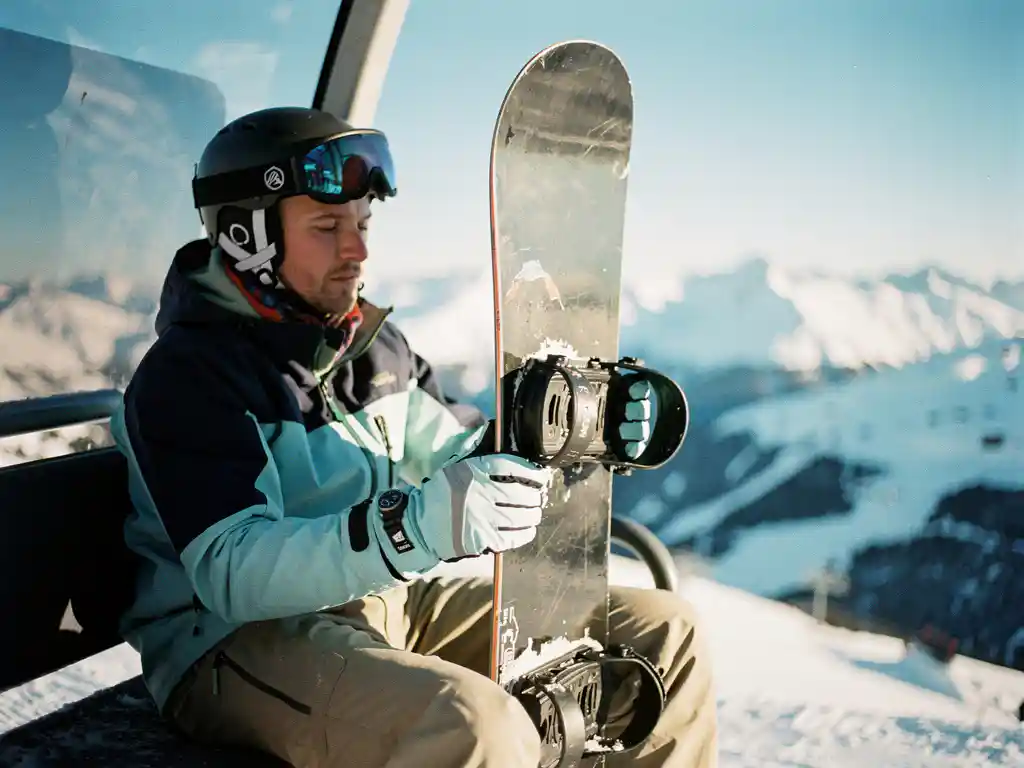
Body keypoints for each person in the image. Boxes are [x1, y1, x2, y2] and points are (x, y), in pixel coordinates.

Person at [110, 106, 718, 768]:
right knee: (476, 726)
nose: (358, 251)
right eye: (327, 227)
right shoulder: (191, 376)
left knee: (666, 635)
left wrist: (573, 428)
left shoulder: (373, 349)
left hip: (386, 601)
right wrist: (413, 527)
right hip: (233, 643)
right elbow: (233, 572)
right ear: (246, 236)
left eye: (363, 224)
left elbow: (461, 449)